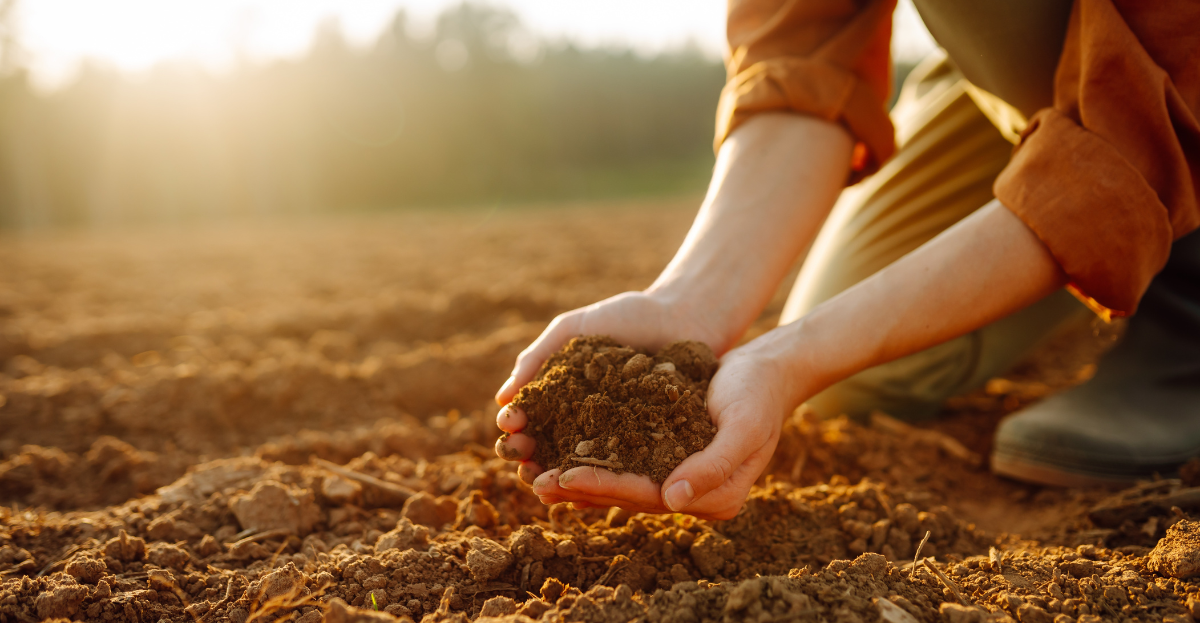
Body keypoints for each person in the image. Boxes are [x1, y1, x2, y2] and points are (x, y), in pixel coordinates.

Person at [493, 0, 1200, 520]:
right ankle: (1044, 147)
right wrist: (694, 304)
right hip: (1063, 76)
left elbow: (1149, 125)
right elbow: (806, 45)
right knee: (854, 355)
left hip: (1175, 64)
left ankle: (1186, 305)